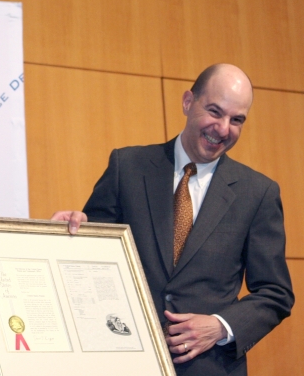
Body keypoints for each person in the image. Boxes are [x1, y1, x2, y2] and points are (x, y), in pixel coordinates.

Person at [53, 64, 294, 375]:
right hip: (124, 360)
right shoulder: (126, 167)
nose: (223, 128)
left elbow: (276, 293)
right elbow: (94, 257)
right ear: (187, 103)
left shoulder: (258, 192)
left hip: (210, 367)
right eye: (215, 111)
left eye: (236, 120)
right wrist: (71, 232)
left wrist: (220, 326)